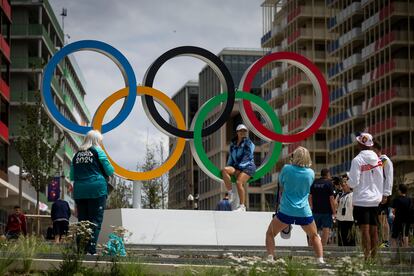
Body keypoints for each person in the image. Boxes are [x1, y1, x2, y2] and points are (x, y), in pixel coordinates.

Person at [265, 147, 325, 265]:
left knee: (270, 233)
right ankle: (320, 260)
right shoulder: (311, 173)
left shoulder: (287, 169)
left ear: (294, 157)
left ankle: (270, 258)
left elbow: (281, 183)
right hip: (304, 211)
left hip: (286, 210)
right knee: (314, 236)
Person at [70, 130, 114, 255]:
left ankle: (81, 250)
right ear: (96, 141)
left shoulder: (76, 154)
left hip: (79, 190)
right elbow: (110, 170)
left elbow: (72, 175)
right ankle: (90, 250)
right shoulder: (98, 151)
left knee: (82, 220)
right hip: (97, 189)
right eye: (100, 140)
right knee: (95, 220)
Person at [348, 133, 383, 260]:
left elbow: (353, 182)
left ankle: (366, 258)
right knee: (374, 230)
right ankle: (374, 257)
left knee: (365, 230)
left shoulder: (357, 160)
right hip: (375, 199)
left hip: (362, 200)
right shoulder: (377, 159)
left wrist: (348, 181)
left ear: (360, 144)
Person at [221, 124, 256, 212]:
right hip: (237, 167)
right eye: (241, 131)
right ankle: (230, 193)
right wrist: (229, 166)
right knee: (225, 170)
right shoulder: (233, 144)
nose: (243, 132)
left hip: (248, 166)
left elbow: (248, 157)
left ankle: (242, 206)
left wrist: (239, 169)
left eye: (244, 131)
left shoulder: (248, 143)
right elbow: (231, 157)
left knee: (239, 182)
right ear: (237, 132)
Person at [372, 142, 394, 248]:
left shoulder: (385, 161)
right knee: (376, 219)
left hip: (382, 194)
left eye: (372, 150)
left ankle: (385, 241)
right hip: (375, 194)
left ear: (376, 150)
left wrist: (386, 194)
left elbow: (389, 178)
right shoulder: (375, 162)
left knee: (383, 218)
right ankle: (379, 240)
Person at [309, 168, 336, 246]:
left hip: (315, 211)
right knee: (326, 228)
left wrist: (311, 207)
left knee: (314, 230)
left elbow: (310, 196)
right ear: (327, 174)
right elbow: (331, 199)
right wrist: (334, 212)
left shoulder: (314, 183)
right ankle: (323, 247)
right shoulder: (329, 183)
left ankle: (311, 246)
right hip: (326, 211)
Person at [336, 178, 355, 246]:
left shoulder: (354, 195)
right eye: (342, 185)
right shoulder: (340, 195)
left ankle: (351, 254)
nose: (342, 187)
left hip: (350, 219)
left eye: (344, 185)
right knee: (341, 240)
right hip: (341, 219)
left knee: (351, 239)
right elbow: (335, 205)